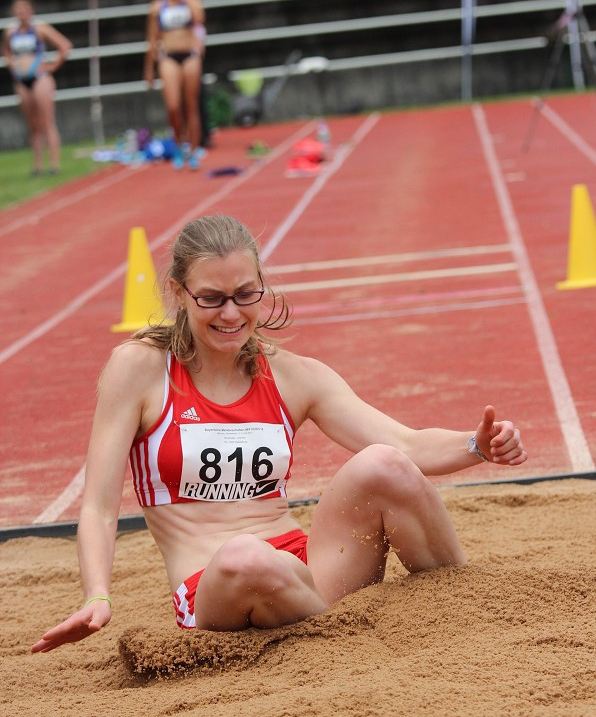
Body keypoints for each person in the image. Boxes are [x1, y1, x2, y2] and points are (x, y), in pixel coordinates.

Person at [31, 215, 528, 653]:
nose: (231, 314)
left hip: (301, 568)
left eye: (246, 295)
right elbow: (98, 505)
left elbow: (407, 445)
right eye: (212, 299)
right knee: (246, 557)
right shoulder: (139, 371)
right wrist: (97, 595)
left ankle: (462, 606)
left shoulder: (292, 375)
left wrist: (475, 446)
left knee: (384, 465)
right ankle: (351, 637)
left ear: (263, 287)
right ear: (178, 294)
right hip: (217, 584)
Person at [2, 0, 72, 176]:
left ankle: (54, 164)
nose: (21, 13)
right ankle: (38, 166)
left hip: (40, 78)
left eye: (24, 9)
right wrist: (13, 67)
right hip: (22, 81)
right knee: (32, 125)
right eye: (18, 10)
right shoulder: (11, 32)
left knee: (47, 122)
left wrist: (52, 67)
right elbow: (6, 52)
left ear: (31, 11)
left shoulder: (40, 29)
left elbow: (65, 46)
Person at [144, 0, 205, 171]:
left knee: (191, 105)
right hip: (168, 56)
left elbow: (199, 20)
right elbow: (152, 40)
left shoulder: (192, 1)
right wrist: (148, 69)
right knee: (173, 106)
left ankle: (194, 150)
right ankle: (179, 145)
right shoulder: (157, 7)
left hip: (189, 55)